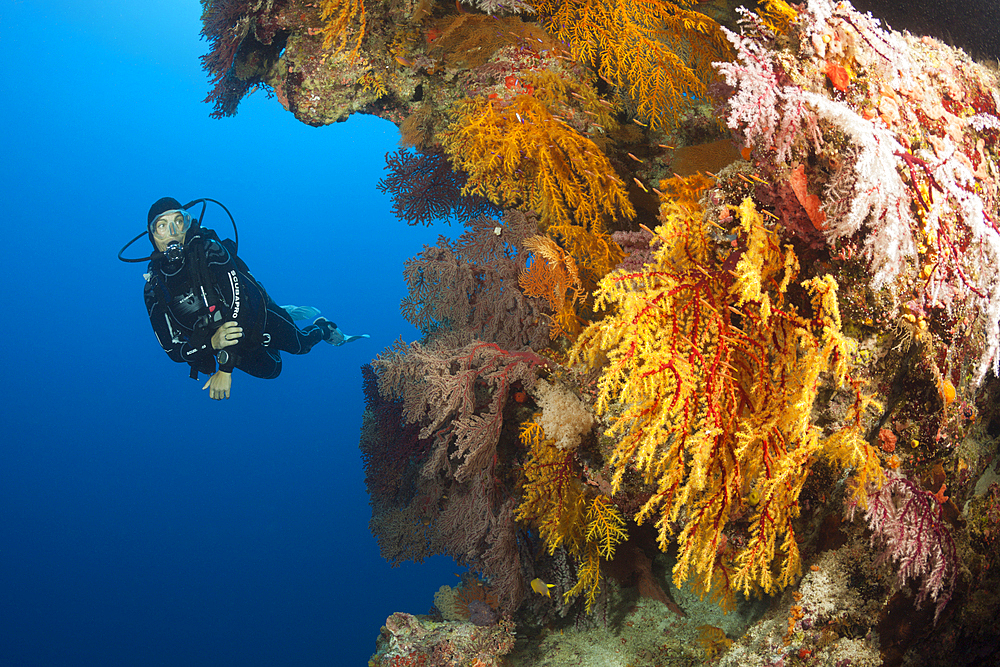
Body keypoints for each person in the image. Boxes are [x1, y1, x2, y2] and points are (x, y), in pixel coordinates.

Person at [141, 197, 367, 400]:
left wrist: (226, 368)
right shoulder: (154, 290)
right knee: (272, 371)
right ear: (152, 236)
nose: (173, 231)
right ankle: (286, 315)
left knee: (301, 345)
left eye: (179, 221)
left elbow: (240, 309)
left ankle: (323, 328)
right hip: (220, 343)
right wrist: (212, 344)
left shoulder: (211, 251)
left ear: (188, 223)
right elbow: (173, 351)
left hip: (257, 316)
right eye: (161, 226)